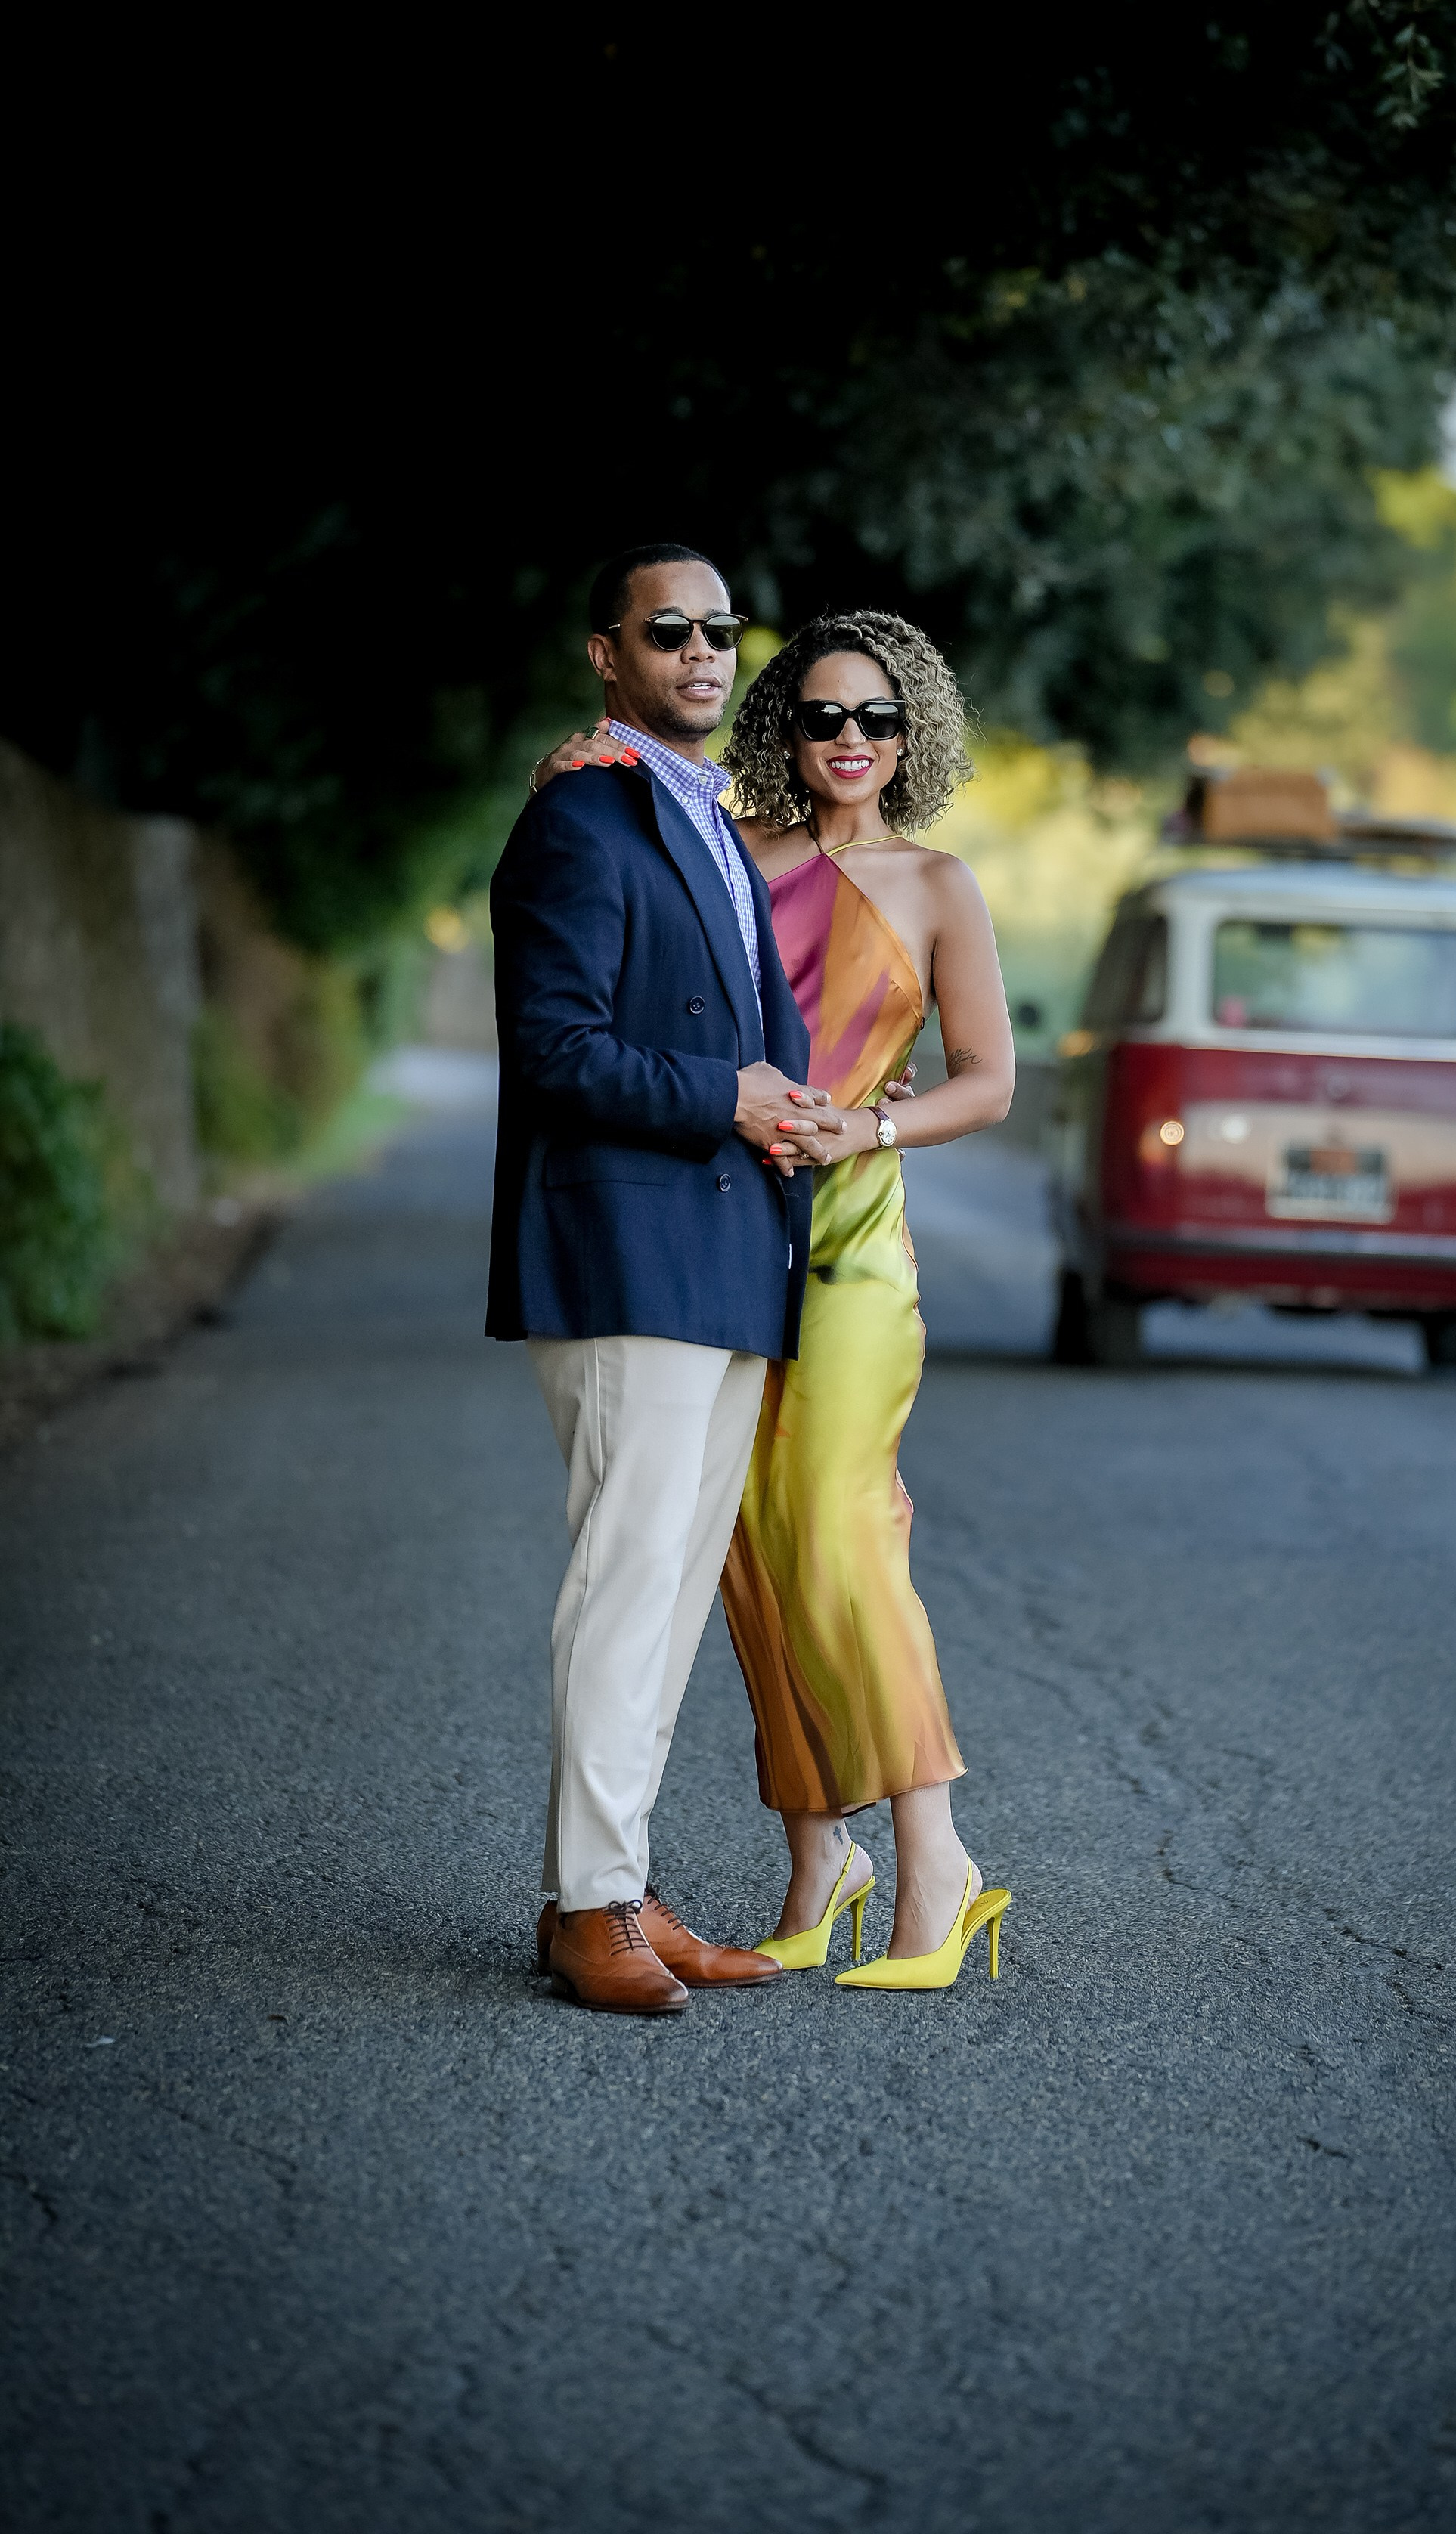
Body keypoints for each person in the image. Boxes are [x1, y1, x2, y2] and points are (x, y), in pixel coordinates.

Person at [534, 610, 1015, 1989]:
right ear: (782, 731)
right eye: (822, 716)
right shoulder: (729, 854)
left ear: (911, 734)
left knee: (844, 1529)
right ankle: (820, 1860)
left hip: (853, 1238)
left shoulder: (938, 885)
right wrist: (572, 769)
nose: (850, 740)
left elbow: (989, 1082)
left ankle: (937, 1866)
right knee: (741, 1540)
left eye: (877, 718)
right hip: (733, 1231)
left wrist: (871, 1127)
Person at [487, 541, 845, 2016]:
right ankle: (589, 1909)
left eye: (719, 630)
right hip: (628, 1249)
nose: (702, 652)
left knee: (672, 1598)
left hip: (724, 1252)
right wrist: (729, 1098)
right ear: (608, 655)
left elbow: (744, 1028)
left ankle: (617, 1885)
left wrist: (796, 1111)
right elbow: (554, 1050)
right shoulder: (581, 814)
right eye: (667, 631)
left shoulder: (704, 816)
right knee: (626, 1586)